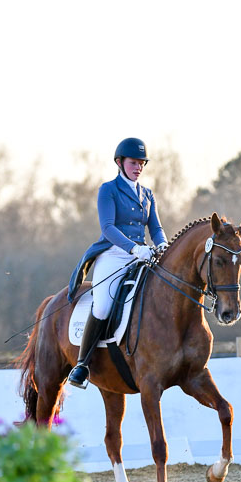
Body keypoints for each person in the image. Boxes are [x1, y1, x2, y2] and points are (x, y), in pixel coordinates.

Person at [67, 137, 168, 388]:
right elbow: (108, 227)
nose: (138, 167)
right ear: (120, 162)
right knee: (102, 306)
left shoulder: (147, 194)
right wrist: (134, 248)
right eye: (134, 162)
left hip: (143, 255)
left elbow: (155, 227)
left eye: (142, 163)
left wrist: (164, 245)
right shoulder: (108, 190)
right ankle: (82, 365)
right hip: (113, 254)